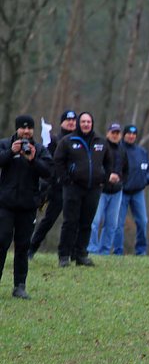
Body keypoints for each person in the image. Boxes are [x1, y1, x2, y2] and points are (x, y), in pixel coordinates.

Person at [53, 112, 118, 267]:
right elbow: (58, 160)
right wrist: (65, 179)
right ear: (78, 123)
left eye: (89, 121)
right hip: (73, 188)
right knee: (70, 222)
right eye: (83, 121)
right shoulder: (67, 141)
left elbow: (109, 161)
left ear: (92, 123)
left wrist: (104, 177)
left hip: (93, 188)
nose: (86, 124)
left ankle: (81, 254)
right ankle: (64, 255)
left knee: (86, 223)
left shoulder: (101, 142)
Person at [0, 115, 53, 299]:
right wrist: (10, 153)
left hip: (28, 206)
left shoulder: (39, 149)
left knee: (23, 246)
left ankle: (19, 286)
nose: (26, 131)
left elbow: (49, 172)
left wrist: (32, 160)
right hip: (5, 205)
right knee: (1, 242)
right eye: (23, 128)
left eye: (29, 128)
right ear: (16, 129)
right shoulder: (5, 145)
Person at [28, 109, 76, 259]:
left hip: (74, 186)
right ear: (62, 122)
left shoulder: (78, 140)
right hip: (57, 186)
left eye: (74, 120)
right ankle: (32, 248)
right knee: (49, 220)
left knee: (74, 221)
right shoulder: (54, 139)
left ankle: (72, 252)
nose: (71, 122)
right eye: (68, 120)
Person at [87, 122, 127, 255]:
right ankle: (92, 249)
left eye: (117, 133)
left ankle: (104, 251)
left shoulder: (122, 150)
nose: (115, 135)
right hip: (101, 190)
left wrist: (121, 180)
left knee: (111, 224)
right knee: (95, 220)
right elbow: (96, 166)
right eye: (113, 133)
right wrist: (107, 177)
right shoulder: (101, 147)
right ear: (108, 133)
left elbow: (126, 169)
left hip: (116, 191)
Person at [113, 124, 149, 256]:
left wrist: (147, 179)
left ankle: (141, 251)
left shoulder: (142, 152)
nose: (131, 136)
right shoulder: (119, 150)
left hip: (138, 193)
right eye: (129, 133)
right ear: (124, 135)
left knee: (142, 221)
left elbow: (148, 169)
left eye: (134, 134)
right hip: (122, 192)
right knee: (118, 224)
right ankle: (118, 251)